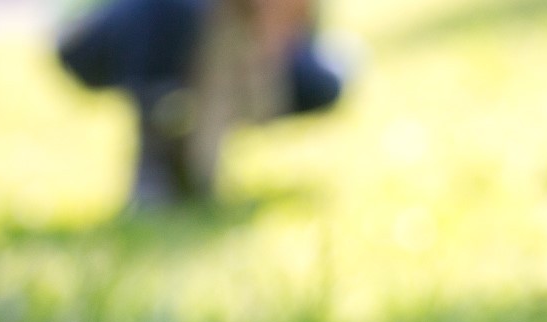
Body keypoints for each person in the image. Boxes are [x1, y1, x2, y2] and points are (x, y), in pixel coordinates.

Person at [56, 0, 348, 207]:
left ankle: (193, 154)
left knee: (324, 78)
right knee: (172, 7)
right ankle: (157, 148)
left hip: (236, 44)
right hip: (107, 27)